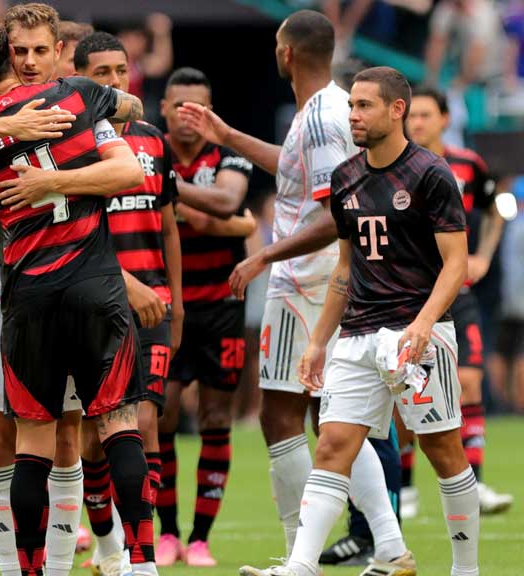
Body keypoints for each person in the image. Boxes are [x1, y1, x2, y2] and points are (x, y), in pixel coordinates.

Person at [179, 12, 405, 567]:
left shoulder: (323, 118)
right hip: (324, 278)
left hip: (309, 280)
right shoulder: (326, 109)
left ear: (287, 53)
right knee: (333, 418)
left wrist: (265, 254)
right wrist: (228, 136)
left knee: (285, 417)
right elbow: (294, 168)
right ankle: (390, 545)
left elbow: (337, 211)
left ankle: (296, 554)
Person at [0, 10, 157, 576]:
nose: (31, 61)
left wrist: (43, 177)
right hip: (49, 286)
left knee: (45, 438)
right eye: (20, 51)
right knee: (108, 426)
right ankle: (139, 562)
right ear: (5, 55)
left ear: (59, 50)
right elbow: (129, 134)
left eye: (41, 50)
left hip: (28, 291)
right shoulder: (77, 98)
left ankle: (48, 568)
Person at [241, 66, 474, 576]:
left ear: (397, 109)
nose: (353, 115)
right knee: (332, 445)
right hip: (357, 334)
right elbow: (345, 269)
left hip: (419, 334)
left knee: (442, 450)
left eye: (364, 105)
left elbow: (456, 263)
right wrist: (318, 341)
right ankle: (301, 567)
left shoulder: (431, 173)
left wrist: (423, 324)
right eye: (351, 106)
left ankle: (466, 569)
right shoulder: (346, 176)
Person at [71, 31, 183, 575]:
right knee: (95, 439)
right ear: (81, 79)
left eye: (121, 70)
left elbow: (168, 226)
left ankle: (143, 555)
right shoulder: (71, 145)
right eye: (102, 73)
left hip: (154, 306)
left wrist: (175, 303)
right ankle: (108, 544)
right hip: (95, 303)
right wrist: (124, 282)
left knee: (144, 421)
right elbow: (70, 234)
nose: (116, 81)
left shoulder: (153, 140)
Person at [154, 66, 256, 568]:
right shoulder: (151, 149)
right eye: (180, 106)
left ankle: (200, 538)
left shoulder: (229, 154)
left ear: (210, 111)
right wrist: (217, 221)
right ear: (164, 109)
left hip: (220, 306)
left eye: (198, 107)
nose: (188, 115)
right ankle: (168, 533)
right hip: (166, 304)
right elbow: (221, 217)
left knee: (216, 418)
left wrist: (165, 187)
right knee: (163, 416)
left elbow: (227, 201)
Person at [403, 85, 513, 515]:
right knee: (403, 391)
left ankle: (476, 485)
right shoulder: (396, 166)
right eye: (413, 115)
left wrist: (482, 255)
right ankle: (405, 489)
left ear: (445, 120)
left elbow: (498, 207)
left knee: (468, 382)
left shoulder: (467, 164)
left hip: (457, 295)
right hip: (409, 296)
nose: (417, 123)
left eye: (426, 115)